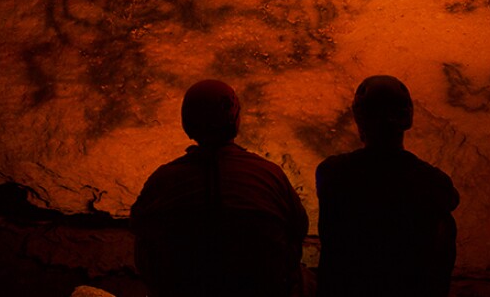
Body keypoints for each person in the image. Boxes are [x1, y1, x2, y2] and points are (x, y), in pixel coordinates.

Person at [130, 79, 309, 297]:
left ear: (187, 123)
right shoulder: (270, 175)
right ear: (235, 119)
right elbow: (298, 228)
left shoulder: (163, 181)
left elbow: (140, 228)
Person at [316, 75, 459, 297]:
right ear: (408, 118)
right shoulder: (432, 181)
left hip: (346, 287)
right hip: (405, 287)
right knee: (445, 221)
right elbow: (450, 199)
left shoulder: (331, 172)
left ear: (359, 119)